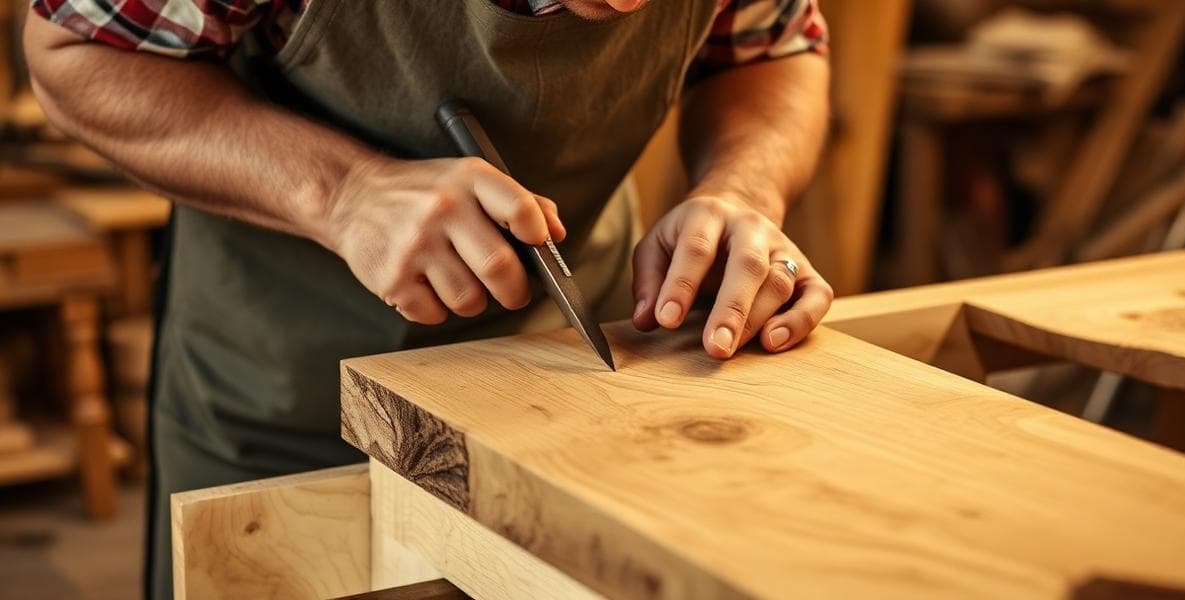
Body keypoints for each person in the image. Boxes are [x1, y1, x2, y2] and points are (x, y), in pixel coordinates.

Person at [24, 0, 833, 597]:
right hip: (278, 384)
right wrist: (342, 192)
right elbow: (73, 53)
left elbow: (772, 48)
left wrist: (744, 189)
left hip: (572, 379)